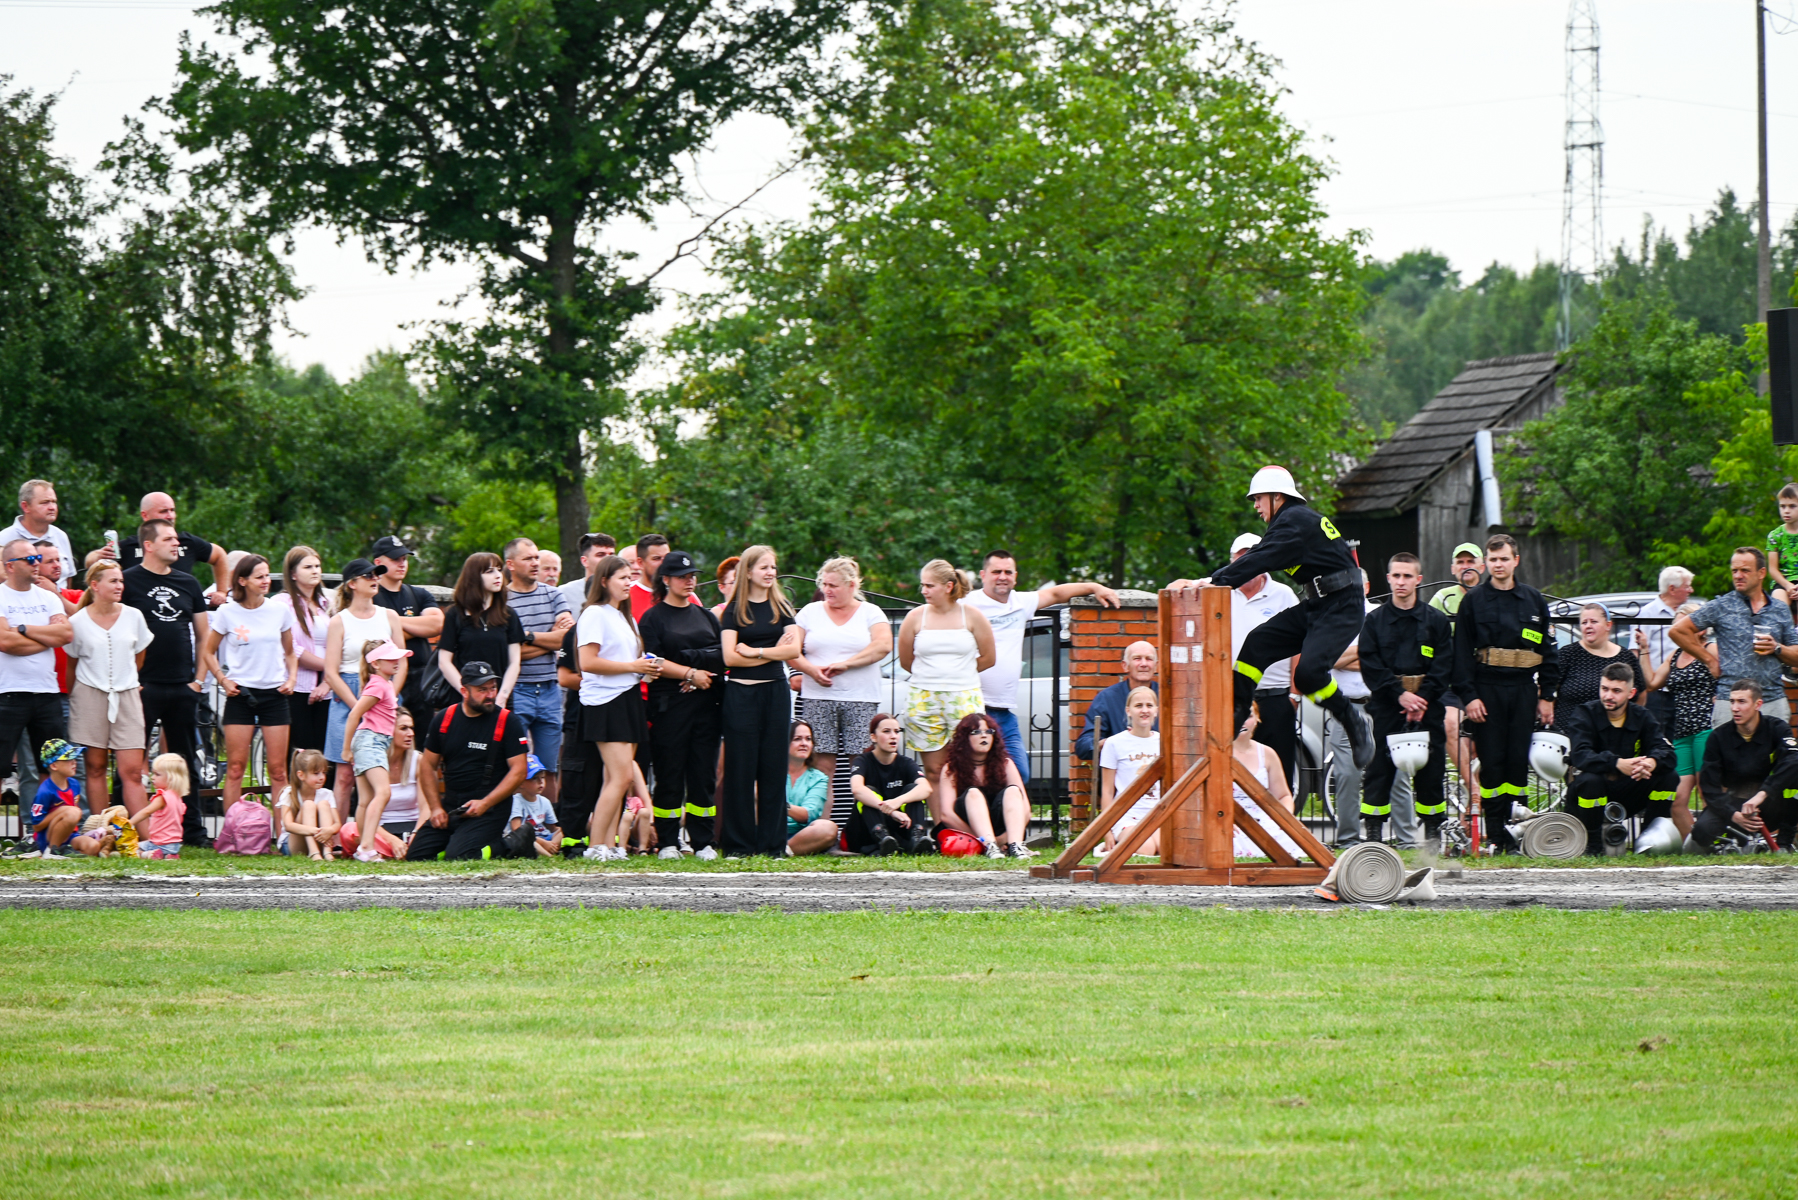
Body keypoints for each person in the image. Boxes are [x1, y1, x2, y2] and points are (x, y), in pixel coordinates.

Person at [1208, 465, 1373, 770]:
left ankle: (1353, 719)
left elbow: (1258, 559)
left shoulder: (1293, 521)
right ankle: (1237, 713)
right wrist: (1216, 580)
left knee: (1309, 675)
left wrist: (1212, 582)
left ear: (1277, 496)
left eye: (1258, 498)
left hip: (1343, 605)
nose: (1256, 506)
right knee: (1258, 642)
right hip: (1319, 603)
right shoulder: (1291, 522)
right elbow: (1260, 554)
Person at [964, 549, 1120, 784]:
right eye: (996, 572)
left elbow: (1056, 593)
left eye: (1008, 572)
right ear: (983, 575)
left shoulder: (1020, 602)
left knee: (1019, 774)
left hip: (1003, 711)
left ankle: (1000, 809)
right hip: (973, 707)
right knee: (973, 776)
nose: (1002, 577)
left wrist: (1095, 587)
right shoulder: (967, 604)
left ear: (1015, 576)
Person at [1451, 534, 1559, 854]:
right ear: (1486, 563)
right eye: (1494, 559)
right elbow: (1461, 654)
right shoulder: (1474, 601)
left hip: (1524, 689)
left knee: (1517, 763)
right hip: (1487, 691)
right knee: (1492, 763)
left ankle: (1518, 835)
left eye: (1504, 559)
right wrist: (1469, 697)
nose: (1499, 565)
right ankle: (1497, 835)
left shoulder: (1533, 600)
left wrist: (1547, 696)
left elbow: (1548, 652)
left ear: (1516, 561)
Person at [1358, 553, 1453, 851]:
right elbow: (1370, 664)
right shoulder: (1374, 622)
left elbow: (1444, 665)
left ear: (1418, 580)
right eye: (1396, 576)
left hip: (1428, 706)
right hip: (1387, 705)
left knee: (1432, 773)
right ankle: (1374, 838)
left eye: (1407, 576)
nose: (1401, 582)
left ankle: (1433, 839)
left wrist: (1421, 699)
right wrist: (1399, 694)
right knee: (1379, 772)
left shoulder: (1435, 620)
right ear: (1388, 579)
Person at [637, 550, 725, 860]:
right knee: (669, 773)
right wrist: (689, 673)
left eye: (692, 576)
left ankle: (702, 841)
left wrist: (696, 672)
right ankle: (668, 841)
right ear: (666, 580)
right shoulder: (653, 618)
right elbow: (653, 661)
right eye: (681, 577)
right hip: (669, 707)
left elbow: (720, 654)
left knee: (703, 775)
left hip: (706, 704)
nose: (689, 581)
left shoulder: (705, 616)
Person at [791, 556, 892, 821]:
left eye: (833, 585)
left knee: (860, 766)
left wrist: (847, 664)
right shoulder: (809, 612)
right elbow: (790, 650)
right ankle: (823, 831)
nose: (827, 590)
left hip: (861, 698)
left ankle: (863, 831)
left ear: (851, 585)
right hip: (818, 698)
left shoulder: (871, 612)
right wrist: (811, 671)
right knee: (822, 767)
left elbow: (883, 645)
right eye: (824, 584)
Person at [720, 544, 804, 857]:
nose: (770, 573)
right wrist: (773, 652)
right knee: (741, 770)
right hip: (741, 695)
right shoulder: (734, 610)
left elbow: (793, 650)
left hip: (776, 694)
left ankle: (773, 845)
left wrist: (755, 651)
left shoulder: (782, 607)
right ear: (749, 571)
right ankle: (738, 845)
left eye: (773, 567)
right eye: (764, 567)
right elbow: (730, 657)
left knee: (773, 769)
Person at [575, 556, 658, 861]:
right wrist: (632, 666)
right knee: (621, 777)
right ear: (604, 581)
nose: (628, 583)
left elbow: (627, 662)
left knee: (616, 778)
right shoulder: (594, 614)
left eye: (629, 577)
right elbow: (588, 662)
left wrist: (645, 669)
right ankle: (595, 845)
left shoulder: (625, 617)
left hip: (628, 697)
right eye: (622, 578)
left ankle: (609, 845)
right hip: (605, 701)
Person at [406, 662, 532, 861]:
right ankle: (460, 842)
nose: (490, 694)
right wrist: (436, 807)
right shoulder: (444, 719)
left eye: (492, 688)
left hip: (490, 808)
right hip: (453, 805)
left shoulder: (508, 721)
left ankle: (513, 844)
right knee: (416, 856)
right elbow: (428, 765)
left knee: (460, 856)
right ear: (464, 691)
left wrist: (485, 803)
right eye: (482, 690)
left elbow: (519, 771)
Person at [204, 554, 297, 814]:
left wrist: (291, 678)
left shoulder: (279, 610)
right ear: (243, 581)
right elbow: (208, 652)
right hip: (240, 694)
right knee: (235, 768)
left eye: (267, 575)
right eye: (259, 577)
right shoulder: (227, 612)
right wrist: (223, 679)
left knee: (278, 771)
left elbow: (291, 652)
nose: (266, 581)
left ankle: (283, 832)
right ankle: (232, 831)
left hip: (275, 694)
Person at [897, 559, 995, 792]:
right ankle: (941, 817)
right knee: (933, 770)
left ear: (948, 586)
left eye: (929, 586)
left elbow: (989, 658)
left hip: (964, 697)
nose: (923, 590)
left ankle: (968, 814)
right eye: (922, 585)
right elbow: (906, 661)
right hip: (923, 698)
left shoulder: (973, 616)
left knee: (970, 767)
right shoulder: (914, 617)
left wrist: (958, 674)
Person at [1671, 547, 1798, 727]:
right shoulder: (1721, 605)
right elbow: (1677, 631)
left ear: (1761, 573)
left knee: (1776, 747)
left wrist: (1777, 648)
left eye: (1745, 570)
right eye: (1734, 571)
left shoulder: (1780, 608)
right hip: (1730, 702)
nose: (1738, 576)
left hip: (1771, 701)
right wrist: (1709, 661)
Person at [65, 561, 153, 815]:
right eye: (113, 581)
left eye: (121, 581)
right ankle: (100, 830)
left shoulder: (133, 616)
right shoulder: (77, 621)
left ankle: (143, 833)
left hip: (126, 695)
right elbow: (72, 664)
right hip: (89, 696)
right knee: (95, 767)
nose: (120, 586)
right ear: (95, 585)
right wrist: (75, 697)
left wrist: (127, 681)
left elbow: (139, 657)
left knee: (132, 771)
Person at [322, 559, 409, 814]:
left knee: (383, 769)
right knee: (344, 775)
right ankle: (338, 835)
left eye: (376, 575)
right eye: (368, 575)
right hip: (347, 694)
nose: (375, 579)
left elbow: (402, 663)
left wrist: (388, 697)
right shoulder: (339, 621)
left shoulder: (389, 616)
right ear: (352, 583)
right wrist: (359, 706)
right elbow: (331, 672)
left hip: (385, 693)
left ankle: (378, 832)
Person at [1563, 662, 1678, 844]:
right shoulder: (1584, 713)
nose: (1608, 696)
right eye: (1604, 689)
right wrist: (1617, 763)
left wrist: (1651, 762)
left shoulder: (1642, 716)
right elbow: (1580, 755)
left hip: (1629, 789)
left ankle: (1650, 840)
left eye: (1616, 691)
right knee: (1590, 780)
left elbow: (1667, 752)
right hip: (1591, 792)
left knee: (1669, 777)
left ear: (1631, 693)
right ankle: (1591, 844)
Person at [1687, 679, 1798, 853]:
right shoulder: (1718, 737)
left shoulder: (1777, 728)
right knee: (1702, 831)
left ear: (1757, 704)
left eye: (1741, 702)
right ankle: (1727, 845)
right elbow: (1709, 786)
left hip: (1770, 802)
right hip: (1733, 805)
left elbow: (1793, 760)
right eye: (1732, 702)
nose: (1735, 708)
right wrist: (1733, 815)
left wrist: (1763, 793)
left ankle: (1784, 844)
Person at [501, 537, 574, 801]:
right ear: (511, 564)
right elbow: (506, 652)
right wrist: (549, 641)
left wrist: (527, 637)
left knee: (549, 768)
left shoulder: (553, 594)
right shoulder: (501, 600)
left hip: (550, 690)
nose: (535, 563)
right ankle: (516, 821)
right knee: (516, 766)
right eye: (528, 559)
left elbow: (567, 638)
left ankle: (551, 821)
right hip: (516, 690)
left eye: (536, 558)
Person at [1, 537, 72, 804]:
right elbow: (5, 643)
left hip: (47, 693)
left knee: (52, 767)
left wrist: (22, 629)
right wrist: (46, 639)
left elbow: (65, 634)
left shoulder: (48, 597)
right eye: (30, 559)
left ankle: (48, 827)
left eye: (37, 558)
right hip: (8, 692)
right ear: (10, 566)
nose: (36, 563)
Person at [1641, 599, 1709, 837]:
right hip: (1681, 733)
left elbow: (1728, 677)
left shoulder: (1710, 649)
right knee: (1677, 800)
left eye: (1681, 625)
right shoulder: (1675, 655)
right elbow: (1651, 683)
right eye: (1675, 626)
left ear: (1699, 628)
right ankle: (1698, 845)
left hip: (1705, 729)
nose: (1676, 631)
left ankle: (1720, 844)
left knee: (1707, 793)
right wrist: (1644, 649)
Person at [1325, 574, 1382, 847]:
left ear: (1367, 586)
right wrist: (1370, 653)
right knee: (1347, 773)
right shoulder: (1332, 617)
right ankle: (1347, 837)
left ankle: (1404, 838)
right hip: (1346, 706)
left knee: (1393, 772)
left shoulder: (1381, 615)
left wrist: (1351, 655)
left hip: (1380, 703)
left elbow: (1389, 657)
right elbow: (1329, 658)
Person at [339, 638, 409, 863]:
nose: (396, 661)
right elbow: (354, 714)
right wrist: (346, 749)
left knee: (366, 800)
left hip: (372, 742)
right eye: (390, 658)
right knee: (383, 792)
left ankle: (364, 847)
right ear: (376, 663)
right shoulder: (378, 685)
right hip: (371, 742)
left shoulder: (383, 683)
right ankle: (367, 847)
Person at [368, 535, 444, 731]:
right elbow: (374, 636)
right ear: (378, 563)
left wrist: (392, 621)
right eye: (395, 559)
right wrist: (417, 629)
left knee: (422, 737)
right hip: (386, 679)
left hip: (421, 679)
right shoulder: (370, 597)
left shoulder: (419, 594)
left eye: (404, 559)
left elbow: (437, 623)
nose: (402, 563)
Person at [97, 493, 229, 604]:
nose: (170, 516)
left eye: (172, 510)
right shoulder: (128, 546)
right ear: (145, 515)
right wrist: (95, 556)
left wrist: (222, 592)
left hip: (181, 616)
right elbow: (96, 567)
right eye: (163, 511)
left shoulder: (186, 542)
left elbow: (219, 555)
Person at [934, 711, 1032, 858]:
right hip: (970, 830)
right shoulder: (951, 768)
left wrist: (1003, 838)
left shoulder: (1005, 764)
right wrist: (980, 840)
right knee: (973, 793)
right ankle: (990, 847)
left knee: (1013, 791)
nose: (984, 736)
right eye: (976, 732)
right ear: (964, 738)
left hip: (1003, 830)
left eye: (989, 732)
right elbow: (947, 815)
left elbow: (1025, 809)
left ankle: (1016, 846)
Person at [1430, 542, 1485, 798]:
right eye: (1460, 562)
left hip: (1484, 682)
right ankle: (1473, 791)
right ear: (1453, 568)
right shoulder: (1442, 598)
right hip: (1450, 685)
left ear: (1482, 567)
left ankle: (1473, 810)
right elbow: (1427, 635)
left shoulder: (1490, 596)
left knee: (1476, 748)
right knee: (1450, 725)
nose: (1466, 566)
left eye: (1471, 561)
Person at [438, 552, 524, 708]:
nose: (498, 575)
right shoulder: (455, 614)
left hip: (499, 700)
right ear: (474, 577)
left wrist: (503, 696)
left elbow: (514, 662)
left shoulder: (509, 615)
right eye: (489, 571)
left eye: (499, 570)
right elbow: (444, 661)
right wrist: (465, 692)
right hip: (464, 700)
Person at [274, 546, 333, 757]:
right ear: (293, 574)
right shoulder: (282, 603)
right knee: (301, 751)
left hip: (327, 688)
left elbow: (338, 644)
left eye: (317, 566)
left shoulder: (327, 603)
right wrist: (330, 667)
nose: (315, 571)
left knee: (323, 754)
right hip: (296, 687)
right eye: (308, 567)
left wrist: (329, 680)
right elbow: (290, 647)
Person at [1550, 603, 1645, 733]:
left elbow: (1640, 695)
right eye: (1584, 622)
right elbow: (1550, 690)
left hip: (1611, 735)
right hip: (1569, 733)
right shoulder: (1567, 654)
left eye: (1594, 622)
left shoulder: (1626, 657)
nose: (1588, 626)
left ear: (1608, 625)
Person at [846, 712, 933, 855]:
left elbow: (926, 788)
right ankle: (882, 840)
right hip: (867, 832)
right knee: (868, 791)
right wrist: (891, 811)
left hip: (899, 827)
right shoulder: (862, 760)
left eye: (897, 732)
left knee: (913, 789)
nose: (893, 736)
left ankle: (917, 840)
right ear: (873, 737)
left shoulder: (906, 762)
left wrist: (898, 801)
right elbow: (857, 789)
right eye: (887, 731)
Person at [1229, 703, 1303, 860]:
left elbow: (1283, 796)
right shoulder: (1218, 752)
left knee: (1293, 838)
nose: (1242, 721)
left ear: (1257, 719)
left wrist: (1284, 818)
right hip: (1229, 819)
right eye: (1236, 715)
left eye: (1248, 716)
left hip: (1264, 819)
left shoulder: (1267, 754)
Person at [1098, 686, 1161, 858]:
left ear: (1156, 710)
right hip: (1126, 815)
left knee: (1164, 847)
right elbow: (1107, 790)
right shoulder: (1114, 743)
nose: (1144, 710)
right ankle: (1121, 838)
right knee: (1146, 849)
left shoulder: (1164, 742)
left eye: (1149, 705)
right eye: (1139, 706)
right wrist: (1106, 830)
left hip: (1158, 814)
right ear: (1128, 711)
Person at [1074, 642, 1159, 761]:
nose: (1144, 664)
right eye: (1137, 658)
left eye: (1149, 659)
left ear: (1156, 666)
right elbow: (1083, 747)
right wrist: (1110, 743)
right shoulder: (1107, 698)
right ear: (1125, 666)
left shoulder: (1170, 697)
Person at [1636, 566, 1695, 726]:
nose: (1691, 590)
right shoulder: (1648, 613)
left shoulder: (1690, 612)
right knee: (1658, 734)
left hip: (1685, 690)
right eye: (1687, 586)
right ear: (1672, 589)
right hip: (1657, 691)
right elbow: (1635, 651)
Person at [0, 480, 74, 586]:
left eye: (54, 502)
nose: (52, 507)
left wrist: (58, 594)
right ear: (25, 506)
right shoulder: (4, 539)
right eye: (45, 502)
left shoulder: (61, 536)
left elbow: (68, 579)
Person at [784, 720, 839, 856]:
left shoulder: (819, 778)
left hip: (802, 835)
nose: (804, 743)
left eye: (808, 739)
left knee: (828, 828)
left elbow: (808, 814)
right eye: (797, 739)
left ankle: (783, 850)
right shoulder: (770, 772)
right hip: (769, 831)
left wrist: (780, 805)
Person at [274, 748, 339, 859]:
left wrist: (329, 830)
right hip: (293, 844)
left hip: (319, 839)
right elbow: (288, 825)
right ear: (301, 775)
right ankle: (314, 852)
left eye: (324, 773)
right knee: (309, 804)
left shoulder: (327, 794)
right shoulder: (289, 793)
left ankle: (327, 852)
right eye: (316, 773)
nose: (322, 777)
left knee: (323, 804)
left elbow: (337, 824)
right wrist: (314, 830)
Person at [24, 737, 82, 857]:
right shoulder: (45, 791)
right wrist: (62, 810)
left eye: (74, 758)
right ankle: (51, 851)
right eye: (68, 758)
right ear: (54, 766)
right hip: (46, 838)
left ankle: (63, 850)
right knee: (73, 812)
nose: (74, 762)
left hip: (69, 835)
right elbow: (36, 826)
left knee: (92, 847)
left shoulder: (75, 784)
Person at [134, 753, 190, 859]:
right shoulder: (178, 798)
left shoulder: (162, 797)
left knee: (132, 848)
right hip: (174, 845)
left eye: (157, 774)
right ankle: (169, 855)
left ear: (171, 778)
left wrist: (129, 823)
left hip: (159, 843)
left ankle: (149, 854)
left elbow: (146, 811)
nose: (152, 777)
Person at [507, 754, 562, 857]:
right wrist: (543, 843)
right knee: (528, 840)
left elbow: (553, 828)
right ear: (521, 783)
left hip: (545, 838)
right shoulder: (516, 801)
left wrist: (552, 842)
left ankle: (552, 849)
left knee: (563, 830)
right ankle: (549, 856)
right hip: (528, 840)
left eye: (543, 777)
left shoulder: (545, 801)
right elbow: (516, 829)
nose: (541, 782)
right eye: (535, 778)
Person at [558, 532, 616, 611]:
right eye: (600, 555)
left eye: (611, 555)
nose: (608, 559)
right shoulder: (564, 593)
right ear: (585, 561)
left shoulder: (624, 590)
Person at [629, 534, 669, 623]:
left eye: (667, 558)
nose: (664, 563)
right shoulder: (625, 595)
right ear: (640, 563)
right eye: (656, 558)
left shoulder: (685, 594)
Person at [1767, 484, 1798, 600]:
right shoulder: (1775, 535)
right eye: (1783, 506)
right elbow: (1773, 569)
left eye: (1792, 506)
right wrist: (1788, 585)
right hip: (1783, 581)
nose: (1786, 511)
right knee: (1778, 602)